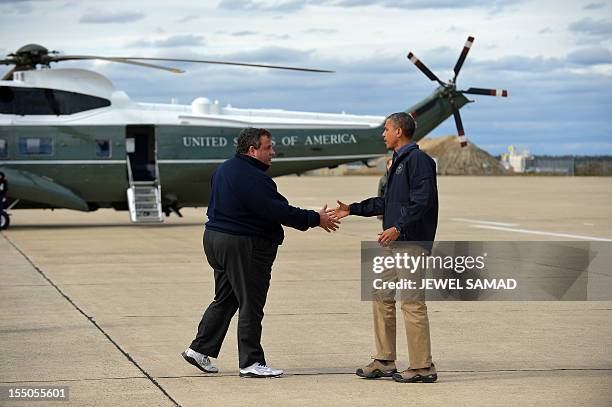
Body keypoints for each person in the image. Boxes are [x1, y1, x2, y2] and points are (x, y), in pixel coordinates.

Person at [182, 127, 340, 378]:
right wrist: (314, 218)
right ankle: (251, 362)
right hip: (243, 245)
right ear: (252, 150)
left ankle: (199, 349)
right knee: (251, 302)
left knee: (227, 297)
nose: (272, 152)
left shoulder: (224, 169)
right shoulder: (253, 177)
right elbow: (277, 210)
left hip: (215, 240)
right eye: (268, 148)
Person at [334, 112, 439, 383]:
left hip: (411, 243)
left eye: (386, 129)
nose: (383, 134)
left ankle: (422, 366)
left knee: (413, 302)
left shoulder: (418, 161)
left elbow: (422, 201)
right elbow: (385, 203)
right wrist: (354, 209)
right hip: (395, 243)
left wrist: (399, 227)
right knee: (380, 293)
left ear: (399, 131)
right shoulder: (397, 163)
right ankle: (385, 359)